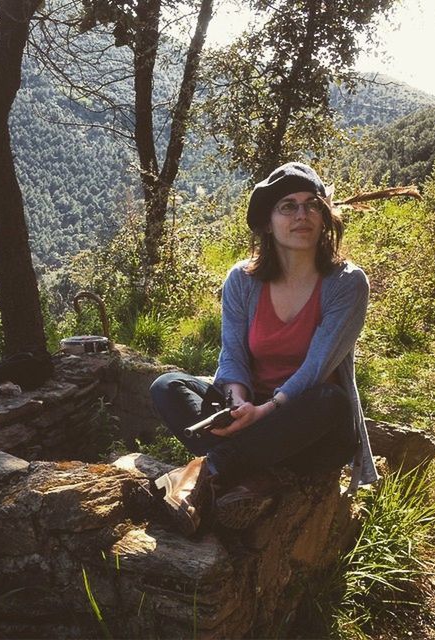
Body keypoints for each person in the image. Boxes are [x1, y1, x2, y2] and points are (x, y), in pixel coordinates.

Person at [151, 162, 378, 536]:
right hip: (254, 408)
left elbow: (318, 367)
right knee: (167, 385)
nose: (302, 215)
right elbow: (233, 355)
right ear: (267, 221)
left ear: (324, 217)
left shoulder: (347, 282)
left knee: (329, 400)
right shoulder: (242, 279)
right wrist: (238, 401)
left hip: (310, 425)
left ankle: (204, 473)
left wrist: (265, 411)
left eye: (312, 204)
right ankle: (245, 478)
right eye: (287, 206)